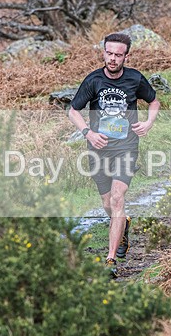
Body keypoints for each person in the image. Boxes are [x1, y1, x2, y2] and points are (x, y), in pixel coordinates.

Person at [68, 33, 159, 277]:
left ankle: (110, 260)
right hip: (98, 149)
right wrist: (88, 133)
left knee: (118, 198)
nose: (113, 58)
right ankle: (124, 223)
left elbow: (154, 102)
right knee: (108, 203)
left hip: (126, 147)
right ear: (103, 53)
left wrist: (148, 123)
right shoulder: (93, 80)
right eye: (109, 53)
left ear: (126, 56)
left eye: (118, 55)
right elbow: (73, 110)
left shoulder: (135, 78)